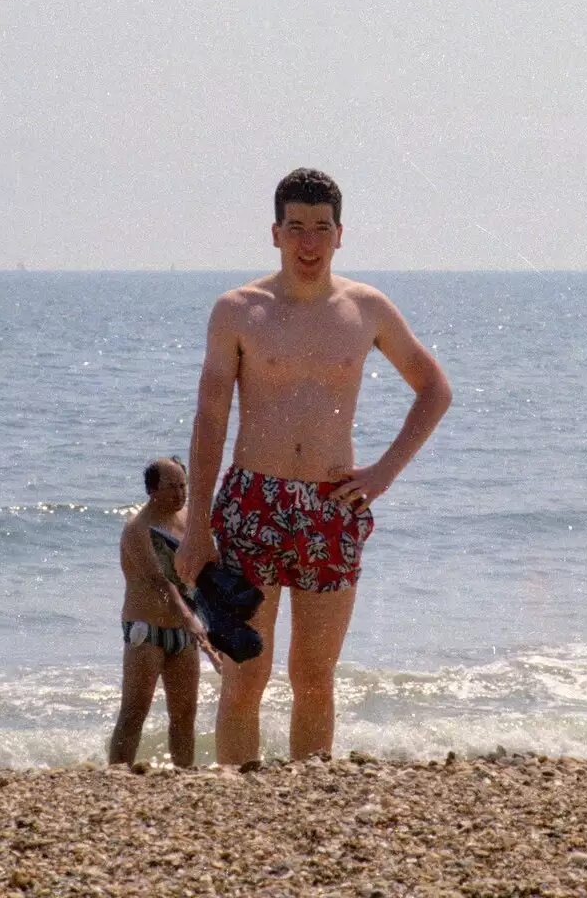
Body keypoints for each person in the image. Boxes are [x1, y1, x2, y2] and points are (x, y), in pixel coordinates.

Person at [175, 168, 452, 764]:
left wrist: (383, 473)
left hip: (333, 505)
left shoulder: (366, 308)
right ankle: (238, 799)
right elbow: (210, 421)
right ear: (274, 233)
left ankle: (307, 799)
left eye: (320, 229)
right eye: (296, 228)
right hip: (253, 502)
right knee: (246, 672)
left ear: (339, 235)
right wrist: (196, 525)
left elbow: (434, 389)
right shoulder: (237, 311)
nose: (308, 242)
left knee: (315, 676)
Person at [108, 456, 201, 767]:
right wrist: (191, 619)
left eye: (183, 486)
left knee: (185, 713)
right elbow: (158, 580)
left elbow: (202, 573)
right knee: (135, 710)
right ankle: (117, 775)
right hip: (146, 630)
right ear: (152, 490)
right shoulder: (138, 528)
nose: (180, 494)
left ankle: (184, 776)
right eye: (171, 487)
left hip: (183, 632)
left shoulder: (188, 521)